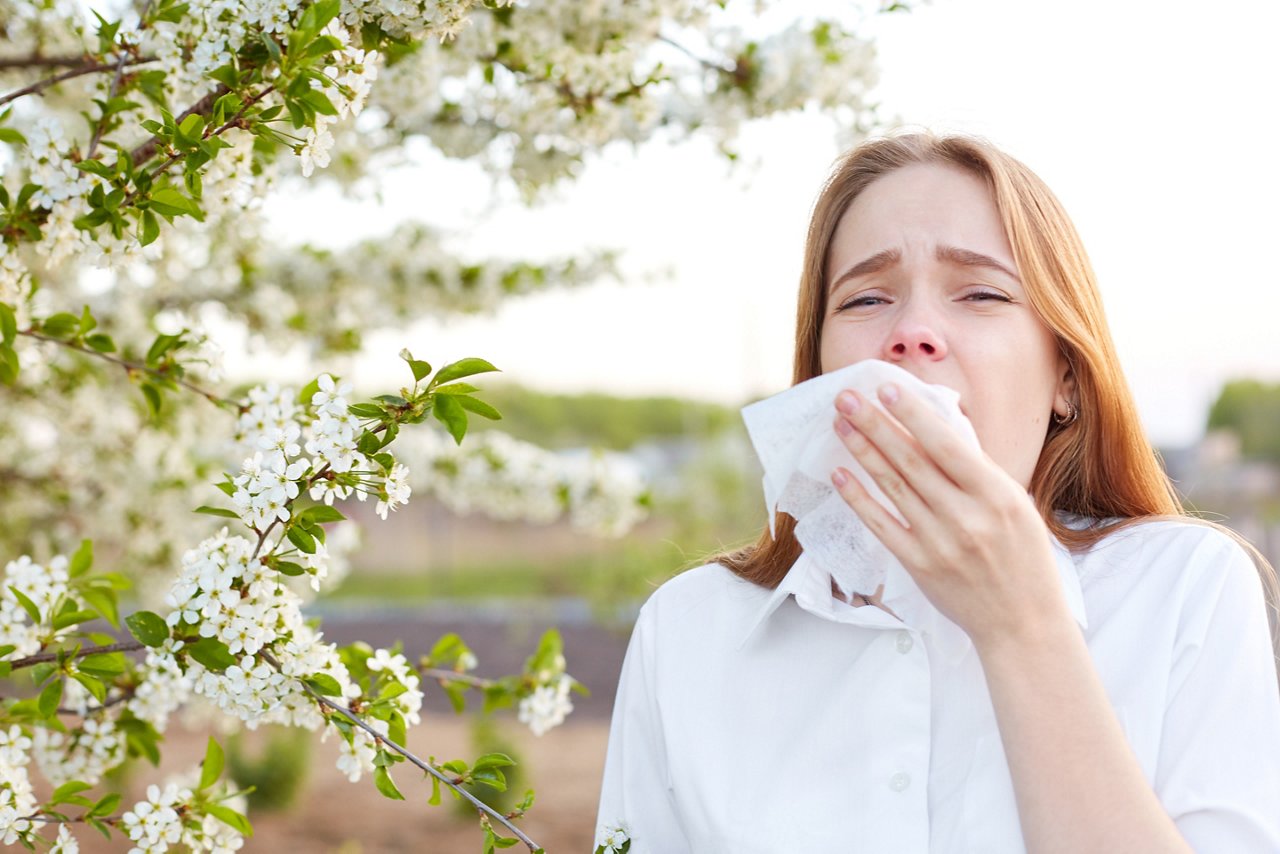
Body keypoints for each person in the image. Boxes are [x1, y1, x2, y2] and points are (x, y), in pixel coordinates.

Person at [593, 131, 1280, 853]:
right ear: (820, 369)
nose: (913, 333)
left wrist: (1022, 626)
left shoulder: (1185, 588)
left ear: (1066, 380)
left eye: (981, 293)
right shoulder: (688, 630)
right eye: (865, 298)